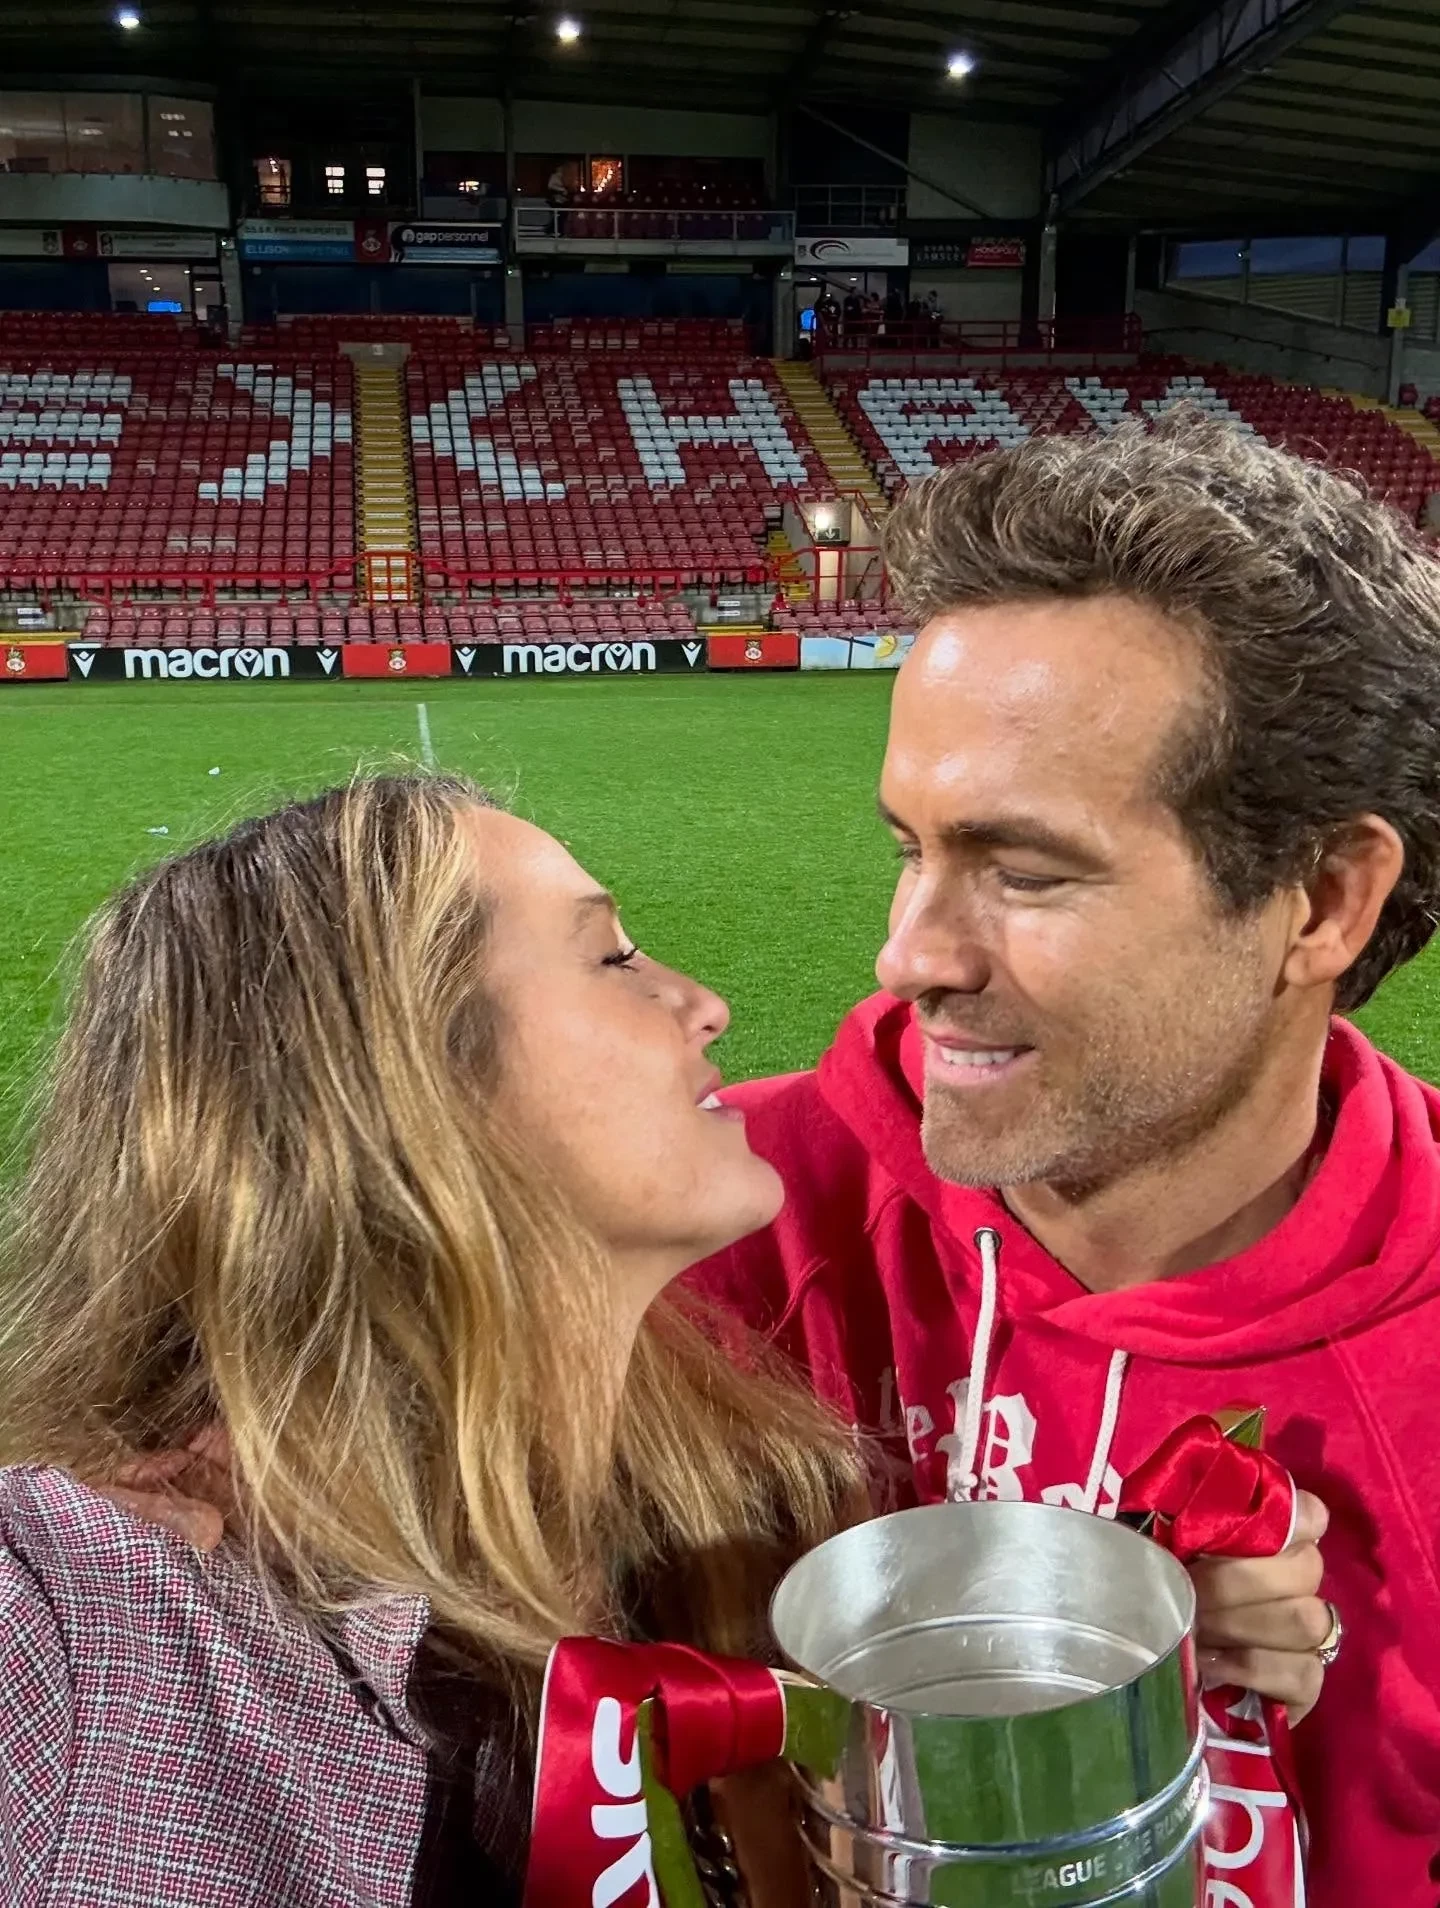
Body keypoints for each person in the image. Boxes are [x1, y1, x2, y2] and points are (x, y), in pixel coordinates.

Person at [691, 417, 1440, 1906]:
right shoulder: (716, 1213)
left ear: (1323, 901)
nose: (908, 955)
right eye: (909, 848)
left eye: (1025, 873)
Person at [0, 775, 855, 1905]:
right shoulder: (77, 1621)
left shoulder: (734, 1510)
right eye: (612, 959)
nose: (705, 1006)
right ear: (391, 1087)